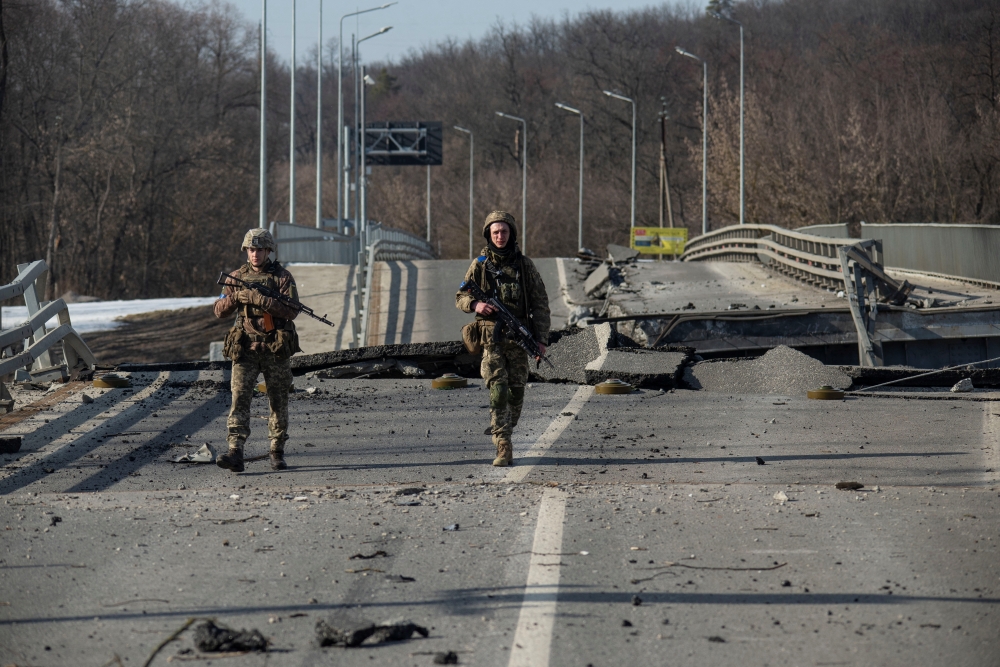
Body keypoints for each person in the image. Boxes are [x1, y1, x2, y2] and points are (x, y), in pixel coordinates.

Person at [456, 211, 550, 466]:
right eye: (495, 232)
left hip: (519, 340)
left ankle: (505, 429)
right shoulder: (480, 264)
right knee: (497, 390)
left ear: (511, 234)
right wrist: (476, 305)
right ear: (489, 234)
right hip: (492, 340)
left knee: (516, 393)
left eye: (504, 232)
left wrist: (541, 339)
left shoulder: (524, 265)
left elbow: (540, 303)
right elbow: (460, 296)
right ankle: (503, 445)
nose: (500, 236)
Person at [214, 228, 301, 472]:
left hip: (274, 347)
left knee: (278, 400)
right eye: (251, 250)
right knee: (239, 398)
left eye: (260, 250)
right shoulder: (235, 277)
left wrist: (263, 301)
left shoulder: (282, 277)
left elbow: (293, 310)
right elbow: (219, 310)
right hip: (246, 349)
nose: (255, 254)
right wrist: (237, 298)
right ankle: (235, 452)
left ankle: (276, 451)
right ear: (246, 251)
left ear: (268, 251)